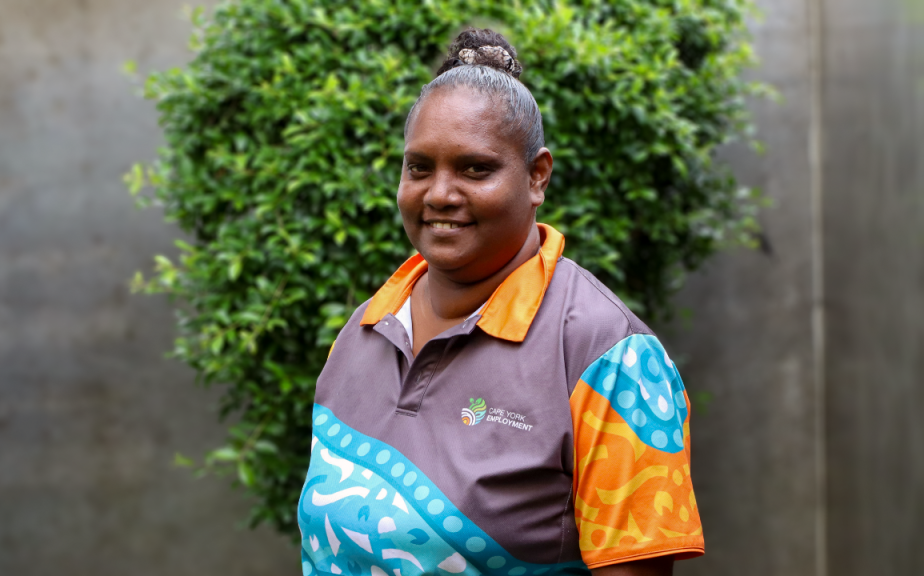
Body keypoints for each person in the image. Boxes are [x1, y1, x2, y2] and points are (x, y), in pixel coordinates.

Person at [297, 28, 703, 576]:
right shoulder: (365, 330)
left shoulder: (609, 357)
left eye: (474, 169)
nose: (439, 193)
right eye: (419, 167)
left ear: (537, 176)